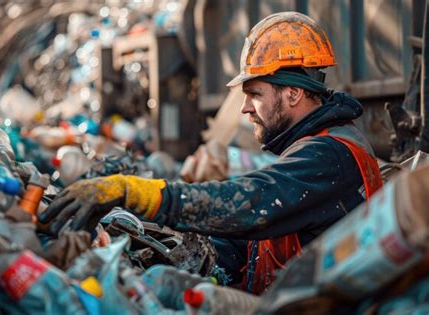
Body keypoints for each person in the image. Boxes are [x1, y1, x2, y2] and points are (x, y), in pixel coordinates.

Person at [39, 12, 382, 294]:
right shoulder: (317, 143)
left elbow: (250, 204)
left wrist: (141, 194)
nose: (245, 108)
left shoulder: (330, 155)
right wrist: (212, 253)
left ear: (293, 94)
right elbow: (268, 233)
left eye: (255, 94)